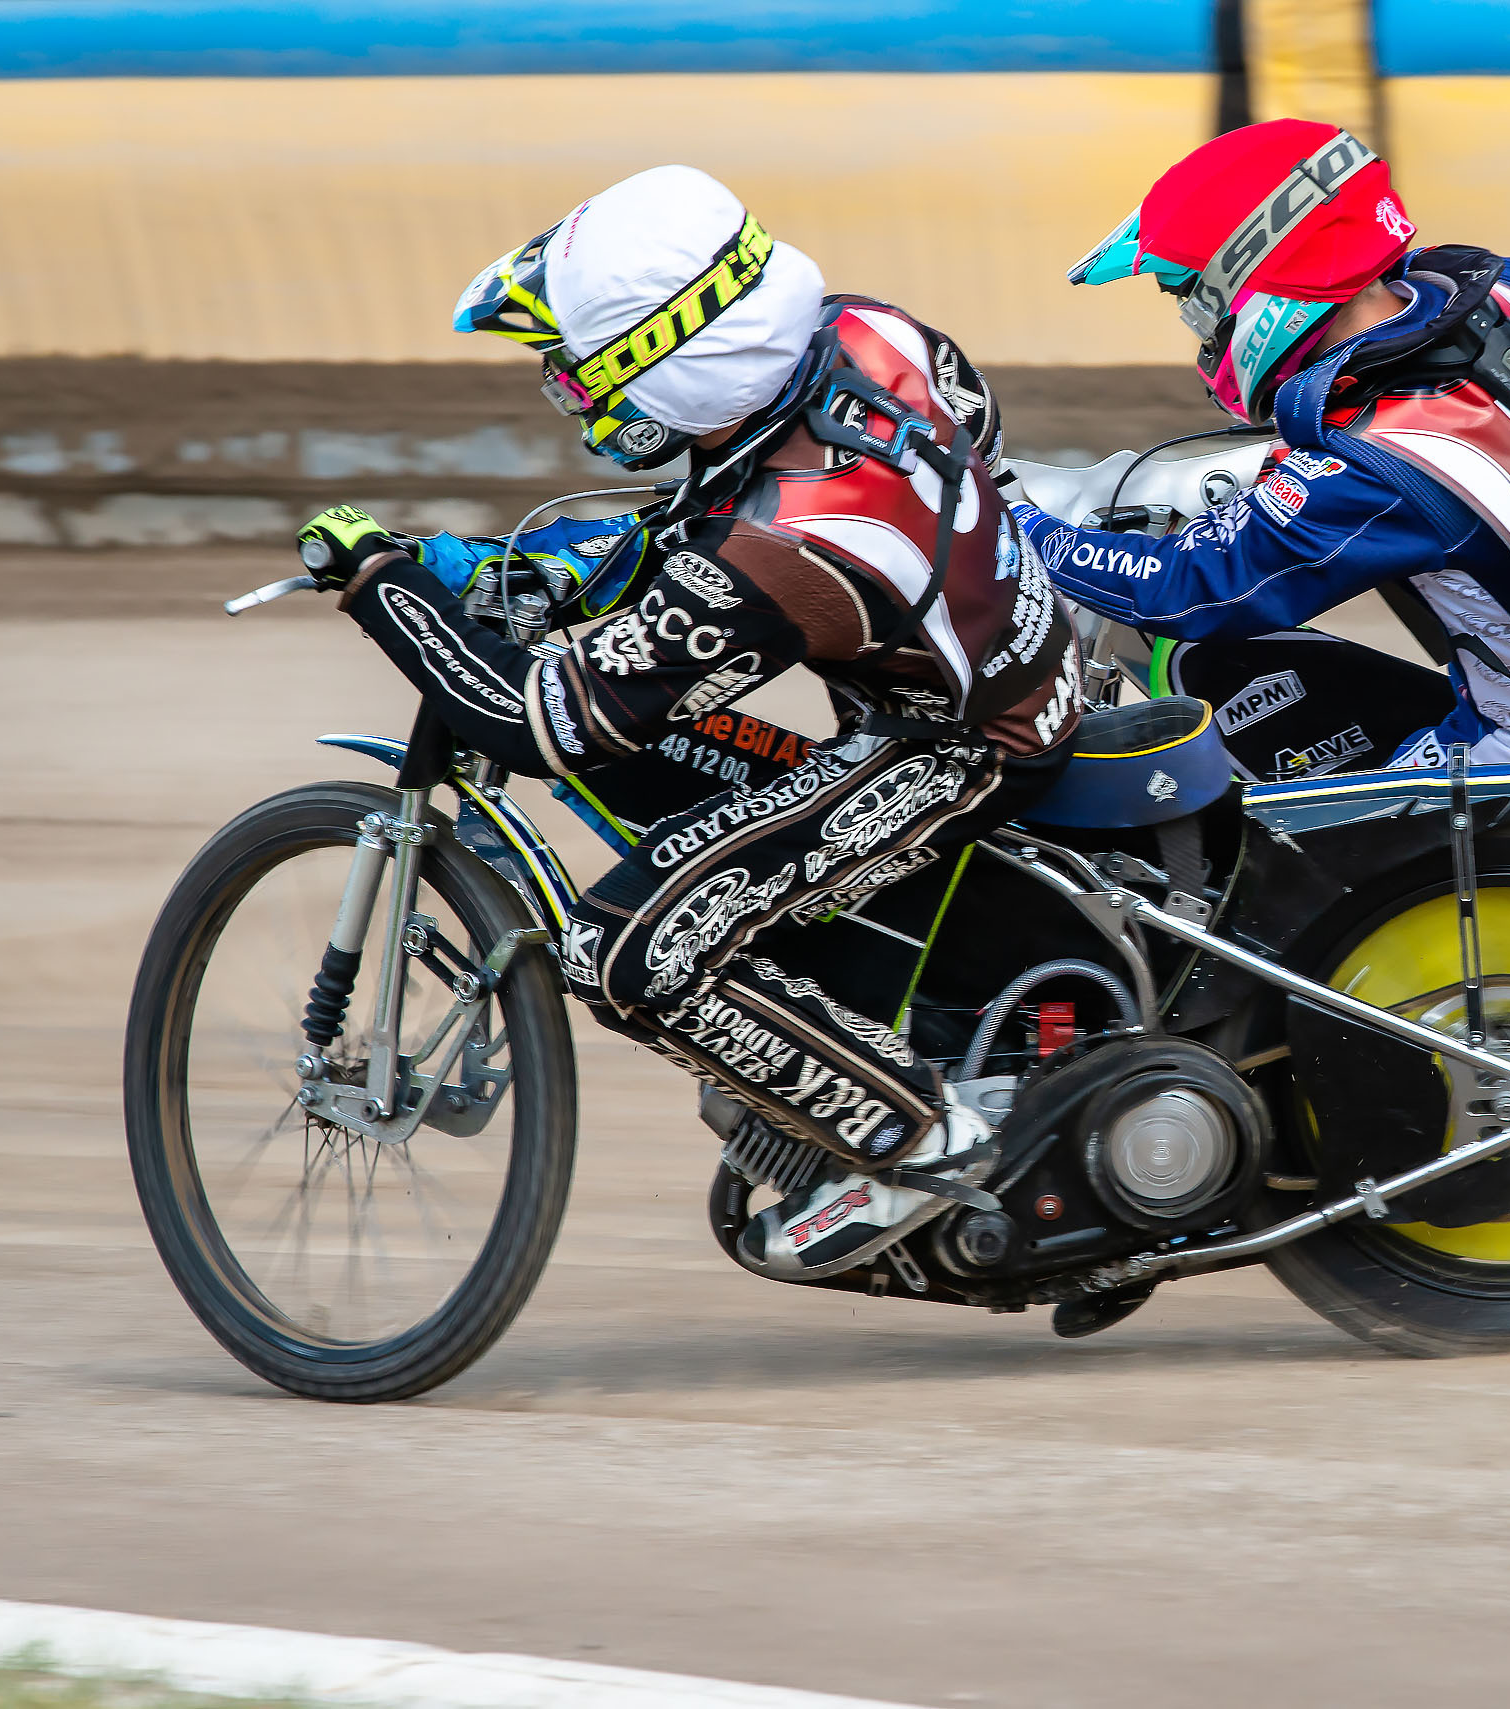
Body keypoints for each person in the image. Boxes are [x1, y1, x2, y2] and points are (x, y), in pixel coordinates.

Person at [292, 165, 1081, 1282]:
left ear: (675, 357)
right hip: (1019, 653)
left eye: (581, 369)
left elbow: (544, 725)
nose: (570, 394)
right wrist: (550, 572)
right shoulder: (866, 330)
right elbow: (739, 511)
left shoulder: (780, 552)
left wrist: (385, 585)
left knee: (624, 950)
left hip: (957, 747)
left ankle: (916, 1138)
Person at [1011, 119, 1510, 788]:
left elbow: (1190, 586)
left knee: (1287, 849)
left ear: (1261, 279)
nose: (1201, 328)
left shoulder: (1378, 466)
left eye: (1195, 300)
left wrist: (1020, 529)